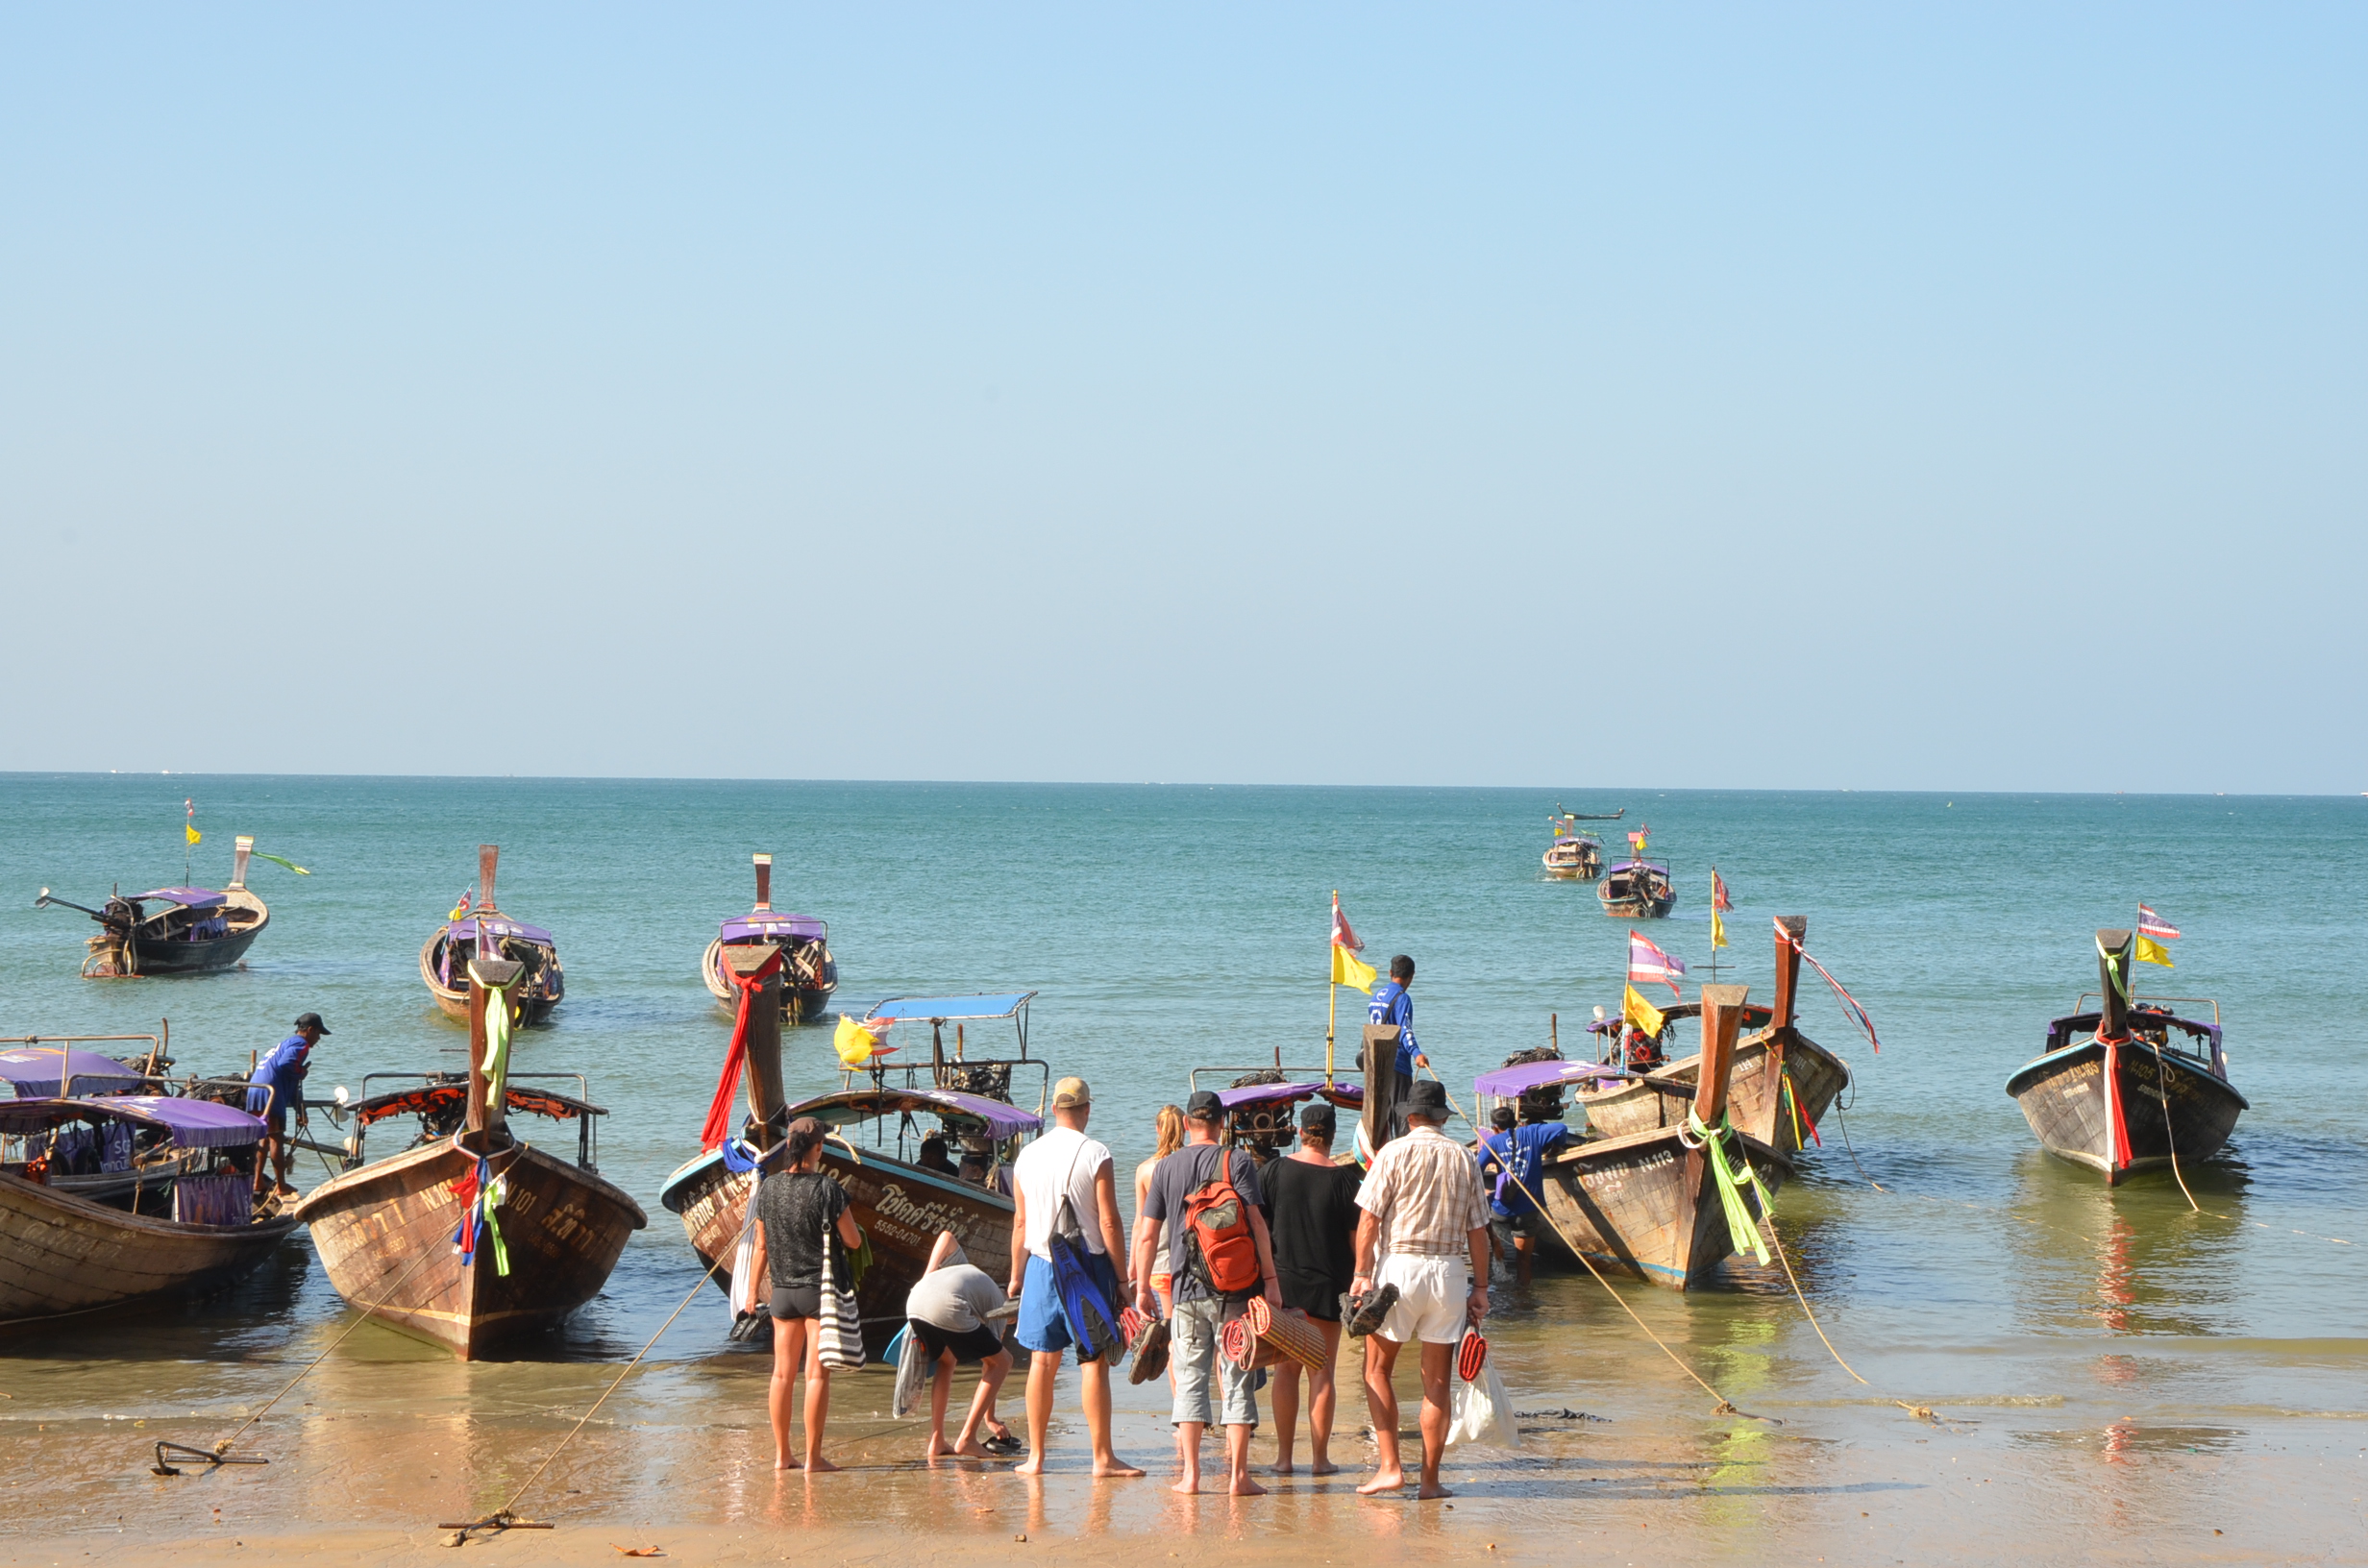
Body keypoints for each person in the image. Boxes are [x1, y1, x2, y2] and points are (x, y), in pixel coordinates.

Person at [1134, 1090, 1282, 1497]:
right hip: (1236, 1289)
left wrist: (1143, 1286)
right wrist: (1270, 1282)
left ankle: (1192, 1477)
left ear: (1187, 1124)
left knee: (1191, 1377)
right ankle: (1238, 1478)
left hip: (1184, 1290)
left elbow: (1148, 1234)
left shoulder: (1164, 1167)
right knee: (1237, 1378)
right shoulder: (1235, 1160)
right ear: (1223, 1122)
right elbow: (1257, 1224)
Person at [1350, 1079, 1490, 1500]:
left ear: (1409, 1116)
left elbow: (1370, 1220)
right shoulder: (1463, 1157)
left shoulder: (1393, 1152)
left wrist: (1361, 1272)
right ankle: (1430, 1481)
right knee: (1437, 1384)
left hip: (1399, 1267)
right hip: (1448, 1271)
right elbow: (1479, 1232)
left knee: (1377, 1369)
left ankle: (1391, 1467)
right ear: (1442, 1117)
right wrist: (1480, 1287)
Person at [1008, 1076, 1141, 1479]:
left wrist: (1015, 1276)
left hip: (1041, 1265)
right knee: (1093, 1362)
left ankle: (1035, 1458)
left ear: (1053, 1110)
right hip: (1087, 1266)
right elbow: (1109, 1221)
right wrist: (1122, 1278)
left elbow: (1021, 1222)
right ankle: (1102, 1458)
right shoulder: (1095, 1152)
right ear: (1086, 1110)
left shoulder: (1027, 1155)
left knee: (1041, 1363)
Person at [748, 1115, 864, 1472]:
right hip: (819, 1293)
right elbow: (853, 1241)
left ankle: (783, 1455)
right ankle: (813, 1458)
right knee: (816, 1375)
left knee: (782, 1375)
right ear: (819, 1148)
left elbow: (762, 1246)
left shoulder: (768, 1189)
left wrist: (752, 1293)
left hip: (782, 1292)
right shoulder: (828, 1189)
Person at [1261, 1100, 1362, 1476]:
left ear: (1301, 1133)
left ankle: (1284, 1460)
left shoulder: (1273, 1171)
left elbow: (1259, 1226)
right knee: (1322, 1373)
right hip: (1327, 1286)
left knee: (1285, 1372)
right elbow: (1357, 1242)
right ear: (1332, 1136)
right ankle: (1320, 1460)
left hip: (1283, 1285)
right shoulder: (1345, 1181)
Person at [905, 1230, 1021, 1459]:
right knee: (1004, 1361)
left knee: (947, 1360)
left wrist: (927, 1275)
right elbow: (993, 1367)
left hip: (914, 1301)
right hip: (947, 1305)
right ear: (1011, 1315)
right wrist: (990, 1419)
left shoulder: (968, 1271)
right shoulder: (997, 1309)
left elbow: (946, 1236)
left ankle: (936, 1441)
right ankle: (967, 1438)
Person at [1476, 1102, 1570, 1288]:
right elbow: (1561, 1128)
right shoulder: (1532, 1132)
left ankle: (1495, 1243)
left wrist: (1486, 1190)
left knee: (1485, 1208)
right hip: (1528, 1208)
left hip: (1502, 1209)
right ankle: (1523, 1297)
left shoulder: (1493, 1142)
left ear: (1495, 1128)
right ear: (1517, 1122)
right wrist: (1555, 1149)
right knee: (1524, 1260)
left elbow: (1476, 1169)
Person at [244, 1013, 328, 1198]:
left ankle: (257, 1182)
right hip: (270, 1095)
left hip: (256, 1091)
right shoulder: (301, 1044)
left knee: (263, 1139)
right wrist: (301, 1073)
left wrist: (300, 1110)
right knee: (276, 1139)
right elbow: (287, 1065)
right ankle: (281, 1186)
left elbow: (289, 1081)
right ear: (310, 1030)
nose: (318, 1038)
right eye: (318, 1033)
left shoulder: (285, 1043)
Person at [1130, 1105, 1187, 1315]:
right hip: (1191, 1261)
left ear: (1158, 1129)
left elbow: (1140, 1223)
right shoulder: (1192, 1164)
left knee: (1172, 1327)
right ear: (1186, 1127)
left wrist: (1134, 1266)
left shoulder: (1146, 1170)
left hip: (1160, 1261)